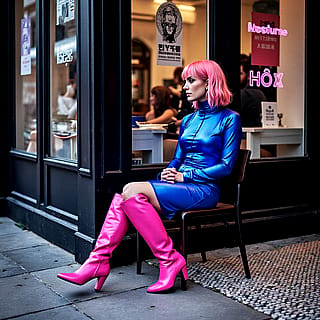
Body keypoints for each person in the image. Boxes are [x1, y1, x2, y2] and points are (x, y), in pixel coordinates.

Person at [57, 60, 242, 294]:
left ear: (209, 82)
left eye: (191, 80)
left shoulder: (230, 118)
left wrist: (185, 176)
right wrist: (169, 170)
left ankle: (108, 262)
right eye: (185, 80)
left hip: (204, 190)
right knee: (127, 197)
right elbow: (178, 158)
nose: (185, 86)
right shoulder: (188, 120)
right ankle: (110, 261)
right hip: (179, 186)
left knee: (130, 191)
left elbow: (226, 166)